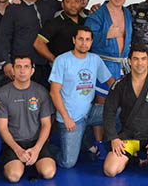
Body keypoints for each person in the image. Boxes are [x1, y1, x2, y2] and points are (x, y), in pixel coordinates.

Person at [103, 44, 148, 177]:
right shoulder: (120, 84)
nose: (139, 63)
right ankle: (133, 158)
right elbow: (108, 111)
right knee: (110, 170)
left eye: (143, 59)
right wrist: (113, 138)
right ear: (129, 61)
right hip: (129, 136)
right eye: (135, 59)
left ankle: (145, 158)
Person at [49, 26, 114, 168]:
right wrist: (66, 118)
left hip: (89, 112)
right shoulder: (62, 60)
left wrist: (126, 98)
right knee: (68, 163)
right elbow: (54, 92)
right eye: (80, 39)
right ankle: (47, 150)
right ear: (74, 40)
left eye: (87, 40)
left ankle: (89, 140)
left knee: (121, 112)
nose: (84, 43)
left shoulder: (95, 59)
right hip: (71, 118)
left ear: (91, 42)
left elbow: (111, 82)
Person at [84, 0, 133, 159]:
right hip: (103, 64)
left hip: (122, 65)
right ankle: (98, 144)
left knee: (121, 104)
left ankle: (115, 140)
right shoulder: (97, 15)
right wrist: (106, 35)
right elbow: (85, 39)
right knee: (102, 104)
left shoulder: (127, 13)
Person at [0, 55, 56, 182]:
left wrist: (37, 149)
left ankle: (34, 161)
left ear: (32, 71)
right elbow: (2, 127)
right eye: (18, 67)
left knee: (48, 172)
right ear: (13, 70)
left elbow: (46, 125)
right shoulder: (2, 94)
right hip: (14, 142)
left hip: (36, 141)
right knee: (13, 176)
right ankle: (19, 162)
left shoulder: (41, 92)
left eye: (26, 67)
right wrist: (18, 150)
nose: (22, 71)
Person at [0, 0, 61, 90]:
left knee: (45, 102)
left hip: (48, 65)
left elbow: (71, 7)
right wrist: (6, 63)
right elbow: (4, 37)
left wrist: (90, 11)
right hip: (23, 67)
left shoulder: (50, 3)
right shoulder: (14, 8)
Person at [33, 0, 86, 65]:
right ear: (62, 5)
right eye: (68, 2)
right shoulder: (54, 23)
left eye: (76, 1)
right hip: (62, 70)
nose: (73, 5)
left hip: (83, 68)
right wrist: (55, 60)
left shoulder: (86, 21)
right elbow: (38, 43)